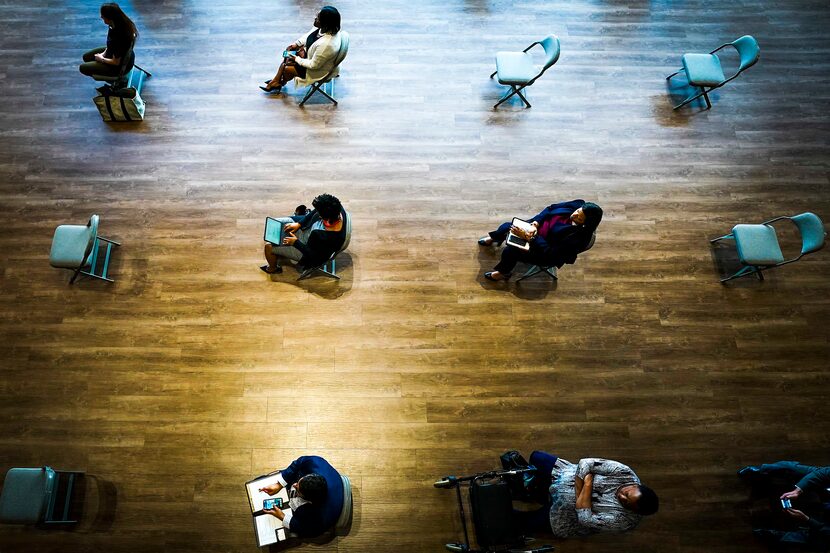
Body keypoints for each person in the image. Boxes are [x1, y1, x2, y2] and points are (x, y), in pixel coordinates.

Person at [514, 451, 658, 538]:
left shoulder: (625, 522)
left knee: (520, 522)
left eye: (626, 503)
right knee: (536, 457)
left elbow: (585, 519)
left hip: (562, 516)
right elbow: (585, 463)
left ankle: (534, 492)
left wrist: (588, 484)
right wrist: (582, 501)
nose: (622, 497)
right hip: (562, 474)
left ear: (634, 511)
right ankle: (534, 492)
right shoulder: (625, 473)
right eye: (627, 493)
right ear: (635, 485)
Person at [478, 199, 602, 281]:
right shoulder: (578, 204)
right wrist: (535, 223)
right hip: (536, 227)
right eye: (577, 211)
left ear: (585, 224)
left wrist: (531, 237)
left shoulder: (577, 238)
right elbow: (550, 208)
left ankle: (504, 273)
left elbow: (551, 253)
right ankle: (495, 238)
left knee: (510, 251)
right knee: (506, 226)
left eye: (579, 218)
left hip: (542, 249)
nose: (574, 215)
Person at [738, 461, 830, 550]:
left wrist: (807, 519)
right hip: (826, 487)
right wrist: (798, 490)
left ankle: (778, 535)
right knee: (794, 469)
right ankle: (761, 470)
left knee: (821, 541)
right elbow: (824, 473)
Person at [259, 455, 345, 538]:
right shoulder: (315, 462)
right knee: (261, 481)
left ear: (310, 500)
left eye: (298, 490)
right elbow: (299, 462)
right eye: (299, 482)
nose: (295, 485)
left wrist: (282, 516)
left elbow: (308, 531)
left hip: (304, 512)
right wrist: (280, 484)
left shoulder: (320, 518)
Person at [260, 6, 342, 94]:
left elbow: (314, 65)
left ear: (325, 23)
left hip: (318, 70)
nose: (315, 19)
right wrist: (296, 44)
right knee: (287, 56)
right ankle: (277, 82)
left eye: (318, 18)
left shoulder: (327, 45)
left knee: (287, 68)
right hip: (312, 56)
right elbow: (309, 35)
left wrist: (297, 59)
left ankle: (277, 82)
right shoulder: (324, 29)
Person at [261, 193, 347, 274]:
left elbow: (315, 257)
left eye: (320, 214)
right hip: (307, 229)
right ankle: (281, 251)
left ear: (326, 217)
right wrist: (299, 224)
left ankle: (272, 269)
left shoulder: (329, 237)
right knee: (277, 223)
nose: (318, 214)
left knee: (268, 246)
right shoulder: (336, 208)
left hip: (306, 250)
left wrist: (295, 242)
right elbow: (316, 211)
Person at [79, 3, 138, 87]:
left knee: (83, 68)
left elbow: (116, 62)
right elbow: (110, 44)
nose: (101, 17)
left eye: (103, 16)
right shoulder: (114, 25)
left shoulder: (119, 35)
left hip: (118, 66)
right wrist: (104, 53)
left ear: (110, 18)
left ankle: (116, 80)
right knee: (86, 57)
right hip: (116, 53)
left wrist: (101, 59)